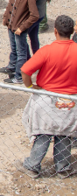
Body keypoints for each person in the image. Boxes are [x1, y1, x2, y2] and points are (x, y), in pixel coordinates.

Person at [18, 15, 77, 179]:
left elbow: (25, 70)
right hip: (71, 100)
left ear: (55, 31)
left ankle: (33, 166)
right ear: (72, 32)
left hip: (46, 99)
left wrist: (30, 86)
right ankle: (63, 168)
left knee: (43, 133)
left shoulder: (47, 50)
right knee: (65, 134)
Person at [0, 0, 39, 84]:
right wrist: (6, 18)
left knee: (21, 53)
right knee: (14, 49)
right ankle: (11, 67)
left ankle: (19, 77)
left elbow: (35, 15)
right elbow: (10, 3)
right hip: (11, 26)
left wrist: (22, 27)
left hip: (19, 30)